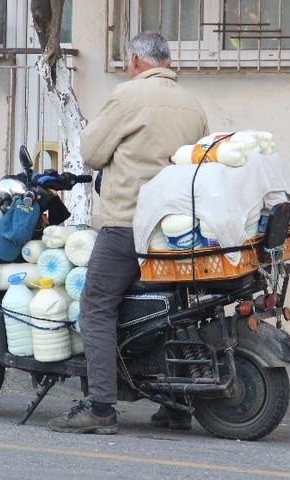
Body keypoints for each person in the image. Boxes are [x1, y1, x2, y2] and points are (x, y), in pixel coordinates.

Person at [48, 32, 209, 434]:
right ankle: (177, 406)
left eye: (127, 62)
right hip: (174, 231)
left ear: (136, 60)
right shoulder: (192, 105)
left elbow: (91, 152)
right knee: (166, 314)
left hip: (127, 224)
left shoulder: (127, 96)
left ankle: (101, 407)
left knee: (96, 306)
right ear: (167, 62)